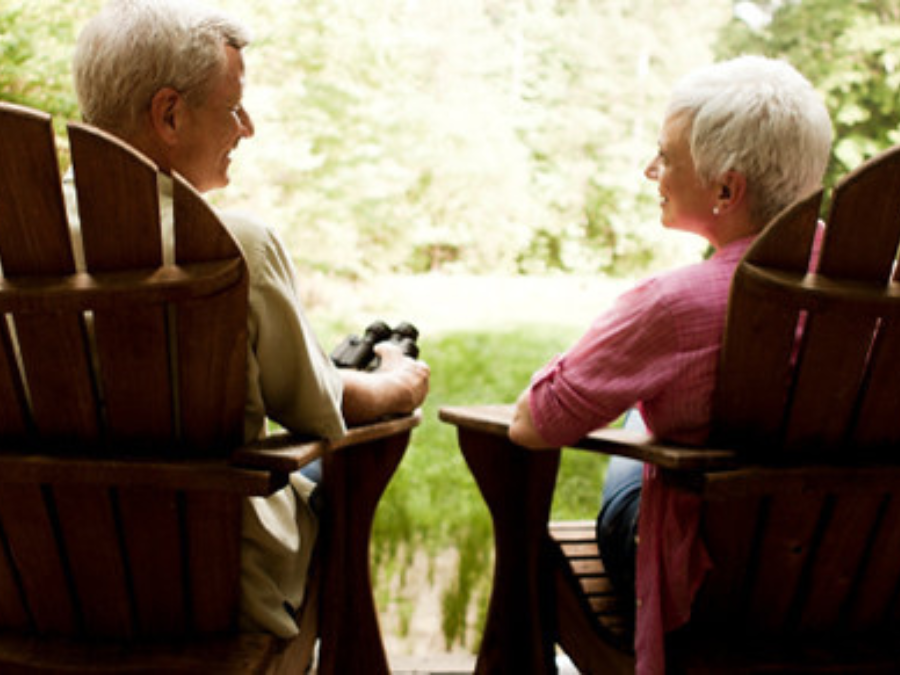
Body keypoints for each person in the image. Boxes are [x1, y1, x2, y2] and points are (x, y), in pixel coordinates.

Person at [71, 0, 430, 638]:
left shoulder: (20, 247)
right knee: (349, 467)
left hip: (50, 589)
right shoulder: (232, 243)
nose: (248, 127)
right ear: (169, 114)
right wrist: (395, 382)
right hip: (210, 592)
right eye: (234, 107)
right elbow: (320, 412)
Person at [508, 55, 832, 674]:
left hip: (709, 587)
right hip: (847, 580)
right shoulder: (878, 293)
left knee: (640, 422)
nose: (650, 170)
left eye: (666, 156)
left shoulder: (674, 306)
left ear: (726, 189)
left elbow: (536, 423)